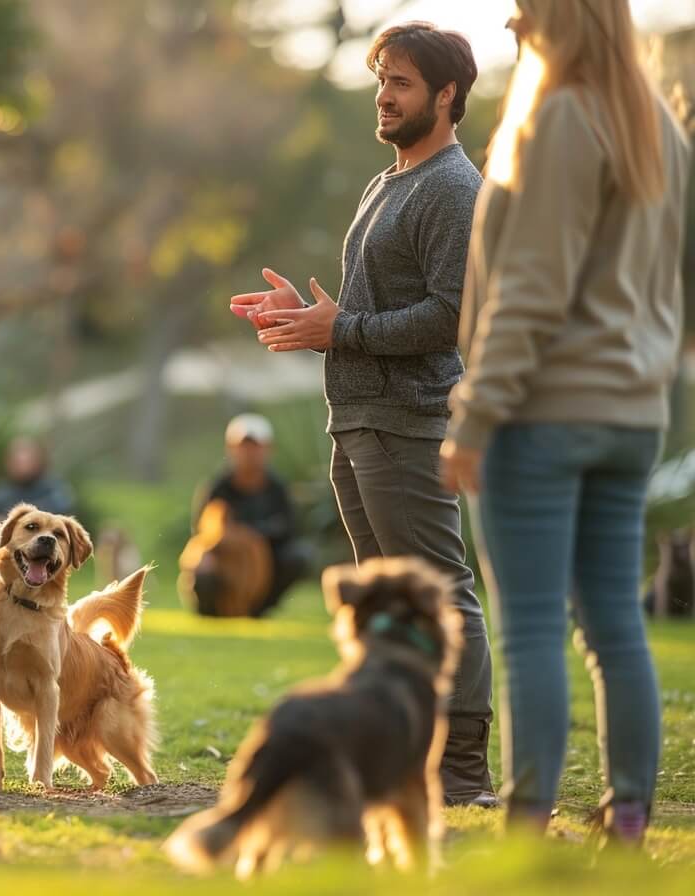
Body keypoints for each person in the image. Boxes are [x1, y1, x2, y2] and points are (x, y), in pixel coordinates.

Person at [440, 0, 690, 843]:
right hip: (632, 420)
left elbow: (531, 292)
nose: (511, 26)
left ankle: (525, 826)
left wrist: (474, 416)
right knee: (617, 625)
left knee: (534, 630)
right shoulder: (662, 128)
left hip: (540, 415)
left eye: (522, 9)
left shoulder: (558, 118)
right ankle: (626, 821)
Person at [230, 22, 495, 806]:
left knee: (442, 593)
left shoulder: (454, 188)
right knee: (383, 599)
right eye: (381, 78)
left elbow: (450, 316)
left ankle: (464, 773)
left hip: (408, 425)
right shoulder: (390, 180)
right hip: (357, 421)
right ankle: (399, 755)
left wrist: (337, 328)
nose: (383, 94)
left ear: (446, 96)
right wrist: (310, 318)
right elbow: (382, 309)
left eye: (402, 82)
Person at [189, 414, 309, 616]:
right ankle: (212, 612)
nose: (249, 453)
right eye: (243, 447)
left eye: (256, 447)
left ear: (268, 449)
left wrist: (253, 541)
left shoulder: (277, 488)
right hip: (226, 558)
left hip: (266, 560)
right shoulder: (218, 487)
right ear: (231, 448)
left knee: (298, 556)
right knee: (203, 564)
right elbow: (201, 531)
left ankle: (259, 609)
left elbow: (289, 529)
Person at [0, 436, 76, 532]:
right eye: (18, 461)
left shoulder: (53, 489)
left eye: (27, 460)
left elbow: (61, 513)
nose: (22, 466)